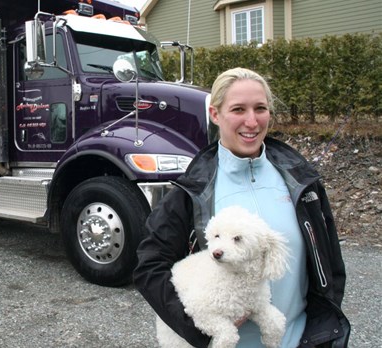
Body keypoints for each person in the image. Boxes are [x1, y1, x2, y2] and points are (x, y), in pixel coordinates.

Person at [133, 67, 350, 347]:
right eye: (238, 109)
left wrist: (324, 326)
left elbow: (330, 263)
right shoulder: (192, 190)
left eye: (260, 108)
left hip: (298, 339)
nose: (251, 121)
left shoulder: (301, 180)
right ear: (215, 114)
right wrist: (198, 328)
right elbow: (149, 267)